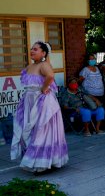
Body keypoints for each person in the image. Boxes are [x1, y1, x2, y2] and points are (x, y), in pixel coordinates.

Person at [11, 41, 68, 173]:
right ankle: (33, 158)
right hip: (29, 100)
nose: (32, 51)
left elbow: (50, 76)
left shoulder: (44, 64)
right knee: (27, 127)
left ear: (43, 53)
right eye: (31, 49)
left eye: (35, 49)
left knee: (42, 129)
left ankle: (42, 162)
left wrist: (44, 88)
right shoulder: (30, 66)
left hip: (42, 100)